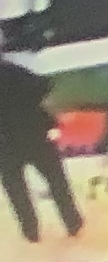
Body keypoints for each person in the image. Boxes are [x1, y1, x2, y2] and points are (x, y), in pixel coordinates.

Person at [0, 39, 78, 244]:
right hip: (34, 133)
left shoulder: (13, 71)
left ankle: (30, 231)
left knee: (16, 190)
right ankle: (73, 222)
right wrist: (30, 106)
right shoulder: (15, 72)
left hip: (5, 142)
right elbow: (44, 86)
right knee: (56, 180)